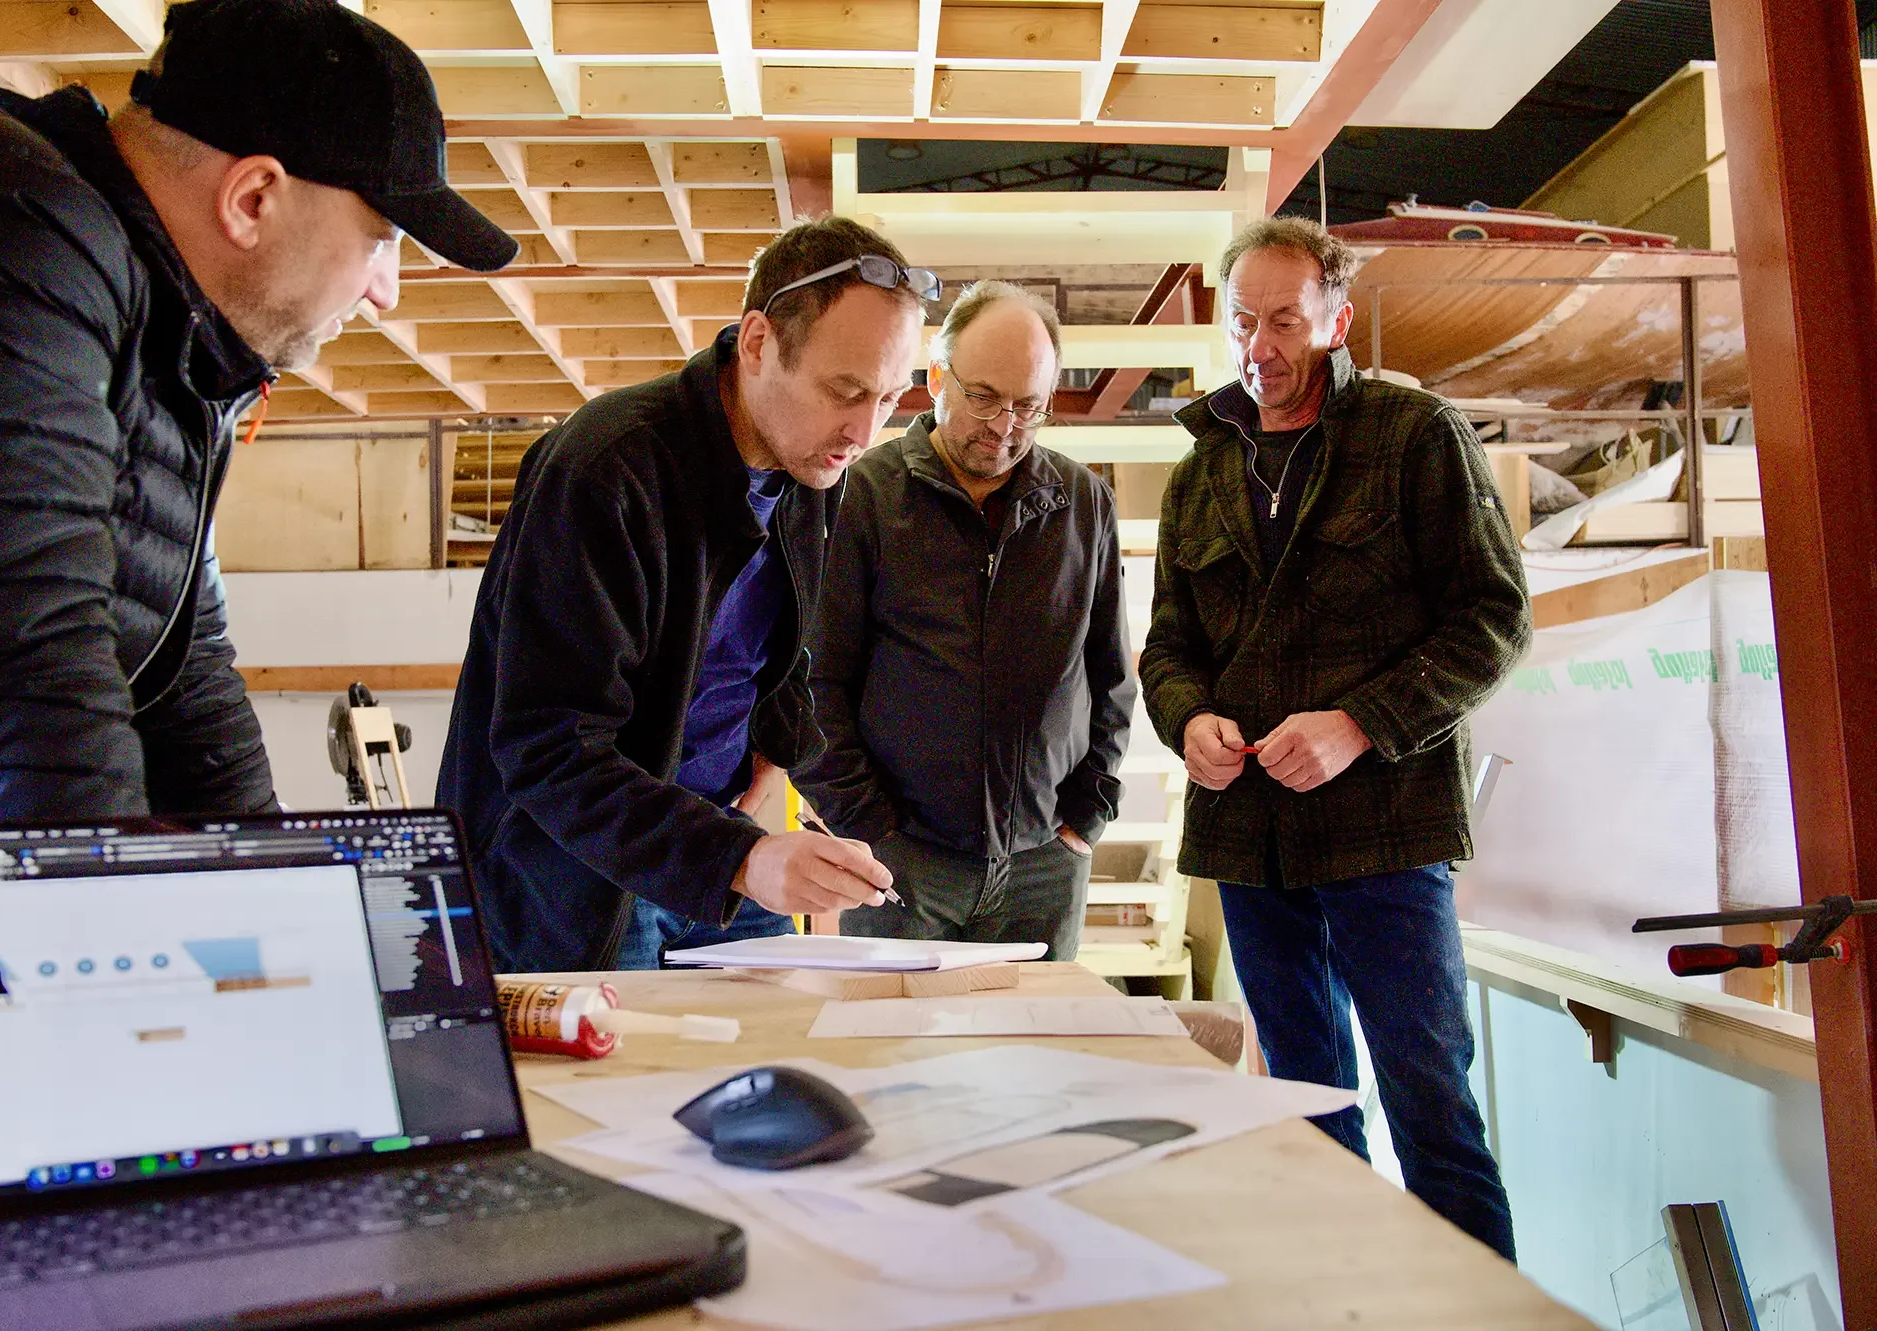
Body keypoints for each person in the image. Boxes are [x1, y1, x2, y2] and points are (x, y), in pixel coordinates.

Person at [0, 0, 514, 823]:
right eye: (381, 238)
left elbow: (185, 667)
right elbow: (11, 662)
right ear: (252, 198)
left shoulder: (177, 343)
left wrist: (274, 873)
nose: (385, 293)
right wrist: (108, 896)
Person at [1139, 217, 1531, 1260]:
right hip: (1249, 838)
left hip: (1386, 833)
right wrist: (1190, 721)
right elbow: (1168, 649)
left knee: (1431, 1109)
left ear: (1336, 320)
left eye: (1284, 321)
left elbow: (1494, 619)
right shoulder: (1200, 471)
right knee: (1305, 1113)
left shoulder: (1413, 436)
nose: (1259, 346)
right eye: (1242, 322)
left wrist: (1361, 724)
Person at [438, 219, 937, 973]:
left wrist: (776, 751)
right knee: (629, 1054)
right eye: (846, 391)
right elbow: (546, 747)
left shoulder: (810, 466)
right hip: (582, 876)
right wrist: (742, 858)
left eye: (892, 399)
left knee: (786, 1031)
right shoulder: (606, 469)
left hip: (713, 843)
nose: (865, 432)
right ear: (758, 341)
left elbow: (783, 645)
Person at [797, 281, 1135, 961]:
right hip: (904, 865)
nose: (1004, 426)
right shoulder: (861, 495)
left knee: (1034, 1033)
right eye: (983, 397)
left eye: (1028, 406)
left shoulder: (1084, 504)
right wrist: (867, 824)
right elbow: (811, 680)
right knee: (900, 1029)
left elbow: (1111, 676)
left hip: (1045, 866)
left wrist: (1087, 815)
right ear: (936, 378)